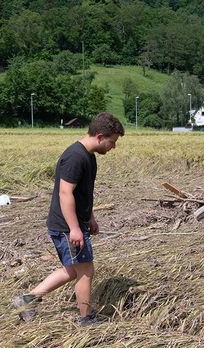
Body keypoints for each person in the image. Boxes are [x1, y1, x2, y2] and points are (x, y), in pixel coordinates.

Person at [12, 112, 125, 326]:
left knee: (72, 270)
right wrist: (74, 228)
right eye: (112, 142)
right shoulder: (75, 156)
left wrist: (89, 217)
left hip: (74, 223)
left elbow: (83, 193)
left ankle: (27, 300)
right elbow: (65, 193)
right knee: (86, 270)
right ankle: (86, 319)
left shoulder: (89, 157)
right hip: (66, 226)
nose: (113, 147)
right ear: (100, 136)